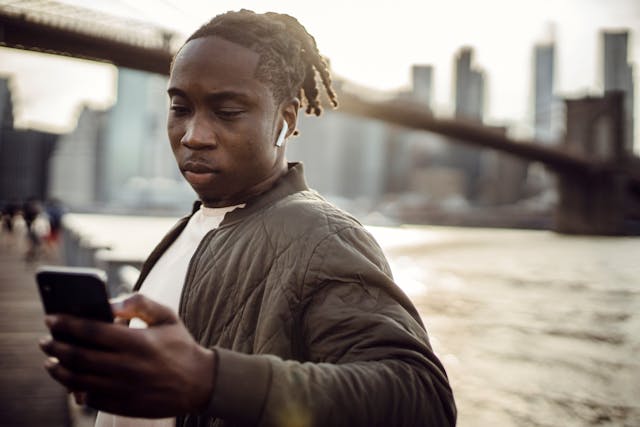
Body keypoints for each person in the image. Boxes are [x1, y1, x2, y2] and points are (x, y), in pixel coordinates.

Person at [39, 9, 456, 427]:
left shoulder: (323, 236)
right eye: (181, 108)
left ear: (285, 120)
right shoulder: (189, 229)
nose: (193, 135)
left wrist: (208, 379)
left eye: (227, 111)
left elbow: (422, 398)